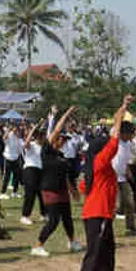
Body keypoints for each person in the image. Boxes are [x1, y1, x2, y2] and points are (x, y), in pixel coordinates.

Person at [70, 95, 133, 271]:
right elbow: (114, 139)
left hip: (103, 213)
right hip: (96, 214)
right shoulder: (99, 162)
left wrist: (121, 109)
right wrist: (122, 109)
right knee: (94, 253)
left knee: (108, 249)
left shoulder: (95, 167)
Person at [31, 106, 83, 257]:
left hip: (62, 190)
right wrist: (66, 113)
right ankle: (38, 246)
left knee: (67, 218)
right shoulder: (46, 151)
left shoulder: (62, 156)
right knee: (54, 220)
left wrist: (73, 191)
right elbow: (55, 130)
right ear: (56, 139)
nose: (64, 142)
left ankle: (73, 242)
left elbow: (66, 176)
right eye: (63, 139)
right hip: (50, 190)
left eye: (66, 140)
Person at [20, 120, 46, 226]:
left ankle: (44, 214)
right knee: (30, 194)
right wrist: (33, 129)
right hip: (30, 170)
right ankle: (25, 216)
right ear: (38, 137)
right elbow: (26, 143)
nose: (44, 138)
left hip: (40, 171)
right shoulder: (31, 144)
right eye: (42, 136)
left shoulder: (43, 147)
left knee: (42, 193)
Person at [0, 124, 23, 199]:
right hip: (8, 158)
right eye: (15, 129)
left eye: (17, 130)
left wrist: (19, 155)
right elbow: (4, 138)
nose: (16, 131)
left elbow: (20, 149)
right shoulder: (9, 135)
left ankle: (14, 192)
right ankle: (3, 193)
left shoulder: (18, 138)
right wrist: (8, 130)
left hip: (16, 158)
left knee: (17, 176)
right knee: (7, 176)